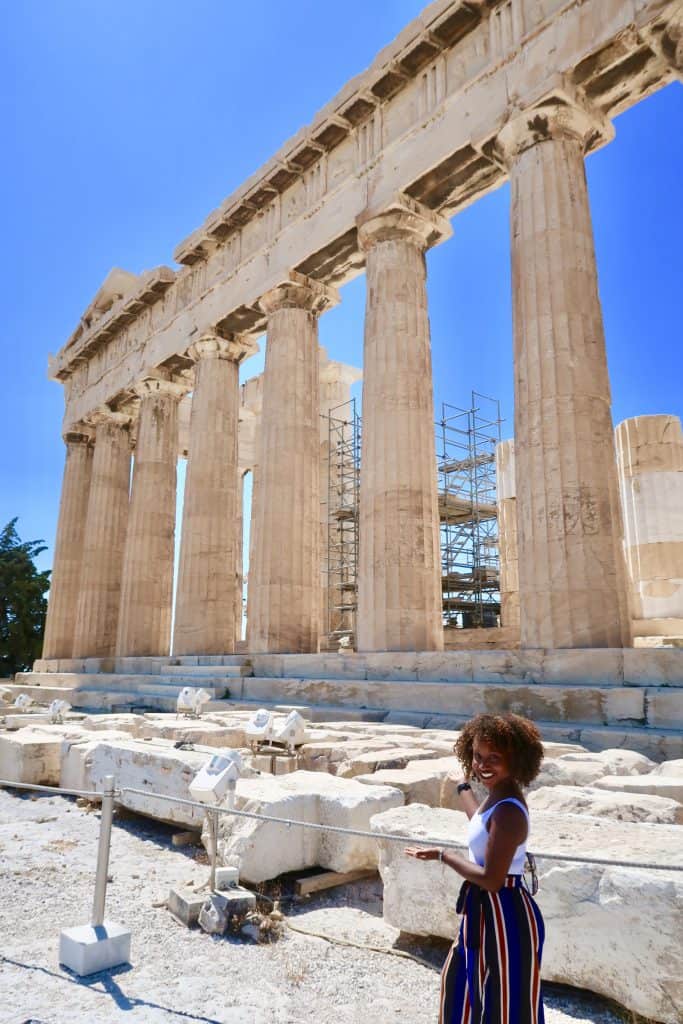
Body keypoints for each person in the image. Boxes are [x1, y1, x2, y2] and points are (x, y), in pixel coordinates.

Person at [405, 712, 545, 1024]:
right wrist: (463, 790)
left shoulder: (509, 811)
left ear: (516, 760)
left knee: (504, 1003)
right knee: (461, 986)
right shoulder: (497, 797)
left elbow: (492, 880)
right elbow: (480, 826)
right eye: (478, 756)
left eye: (494, 757)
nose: (483, 764)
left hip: (504, 913)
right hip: (485, 912)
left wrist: (443, 856)